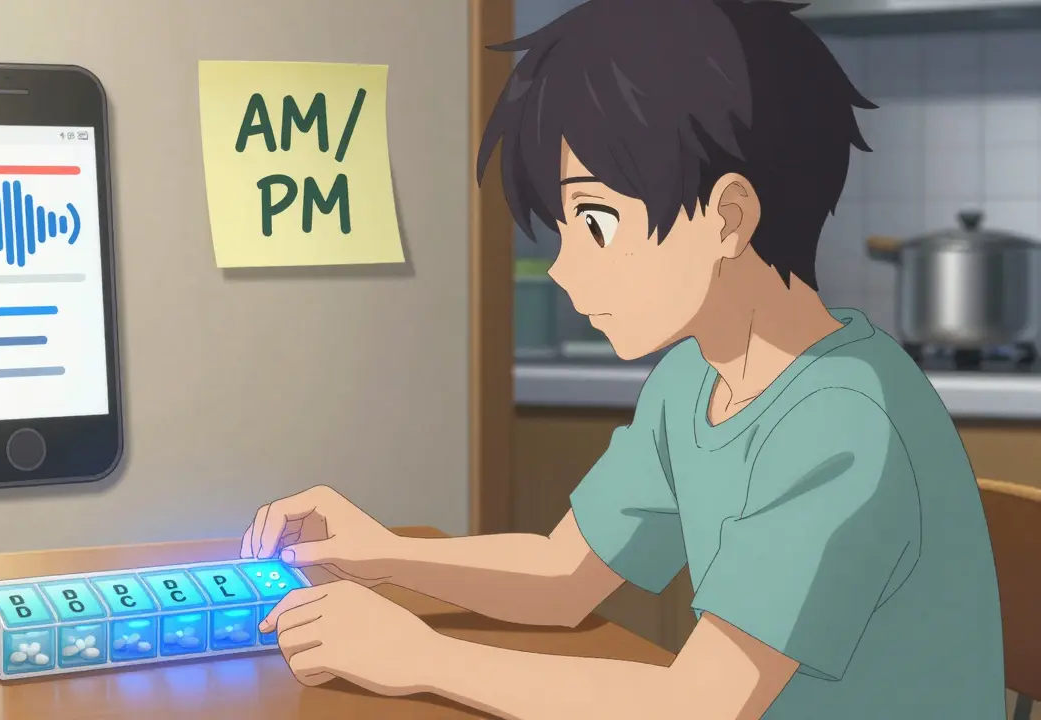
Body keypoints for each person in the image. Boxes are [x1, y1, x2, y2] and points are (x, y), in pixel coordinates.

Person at [243, 0, 1007, 717]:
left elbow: (696, 704)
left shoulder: (843, 421)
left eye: (597, 222)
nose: (567, 268)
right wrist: (379, 554)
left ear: (728, 217)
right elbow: (563, 574)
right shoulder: (694, 377)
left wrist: (422, 655)